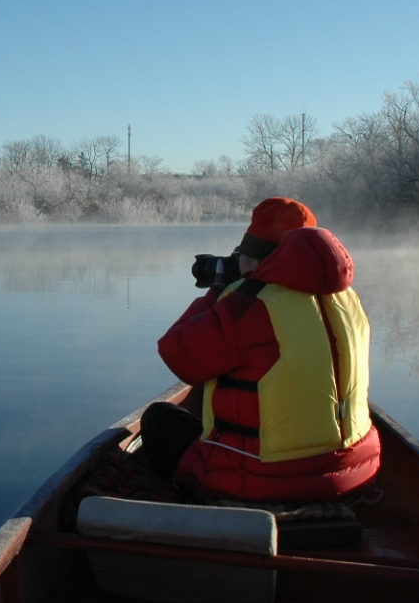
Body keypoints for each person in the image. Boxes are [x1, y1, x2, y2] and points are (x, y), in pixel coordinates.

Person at [144, 197, 381, 502]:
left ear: (254, 261)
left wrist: (220, 289)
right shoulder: (348, 299)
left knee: (160, 420)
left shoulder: (250, 305)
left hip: (262, 482)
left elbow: (177, 353)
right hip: (355, 473)